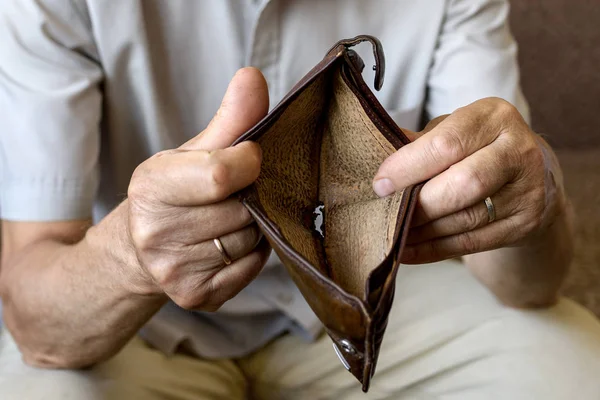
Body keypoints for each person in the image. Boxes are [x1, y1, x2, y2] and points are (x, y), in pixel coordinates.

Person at [1, 1, 599, 399]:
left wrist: (532, 189)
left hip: (392, 296)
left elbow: (529, 285)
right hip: (139, 326)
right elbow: (34, 316)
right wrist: (131, 254)